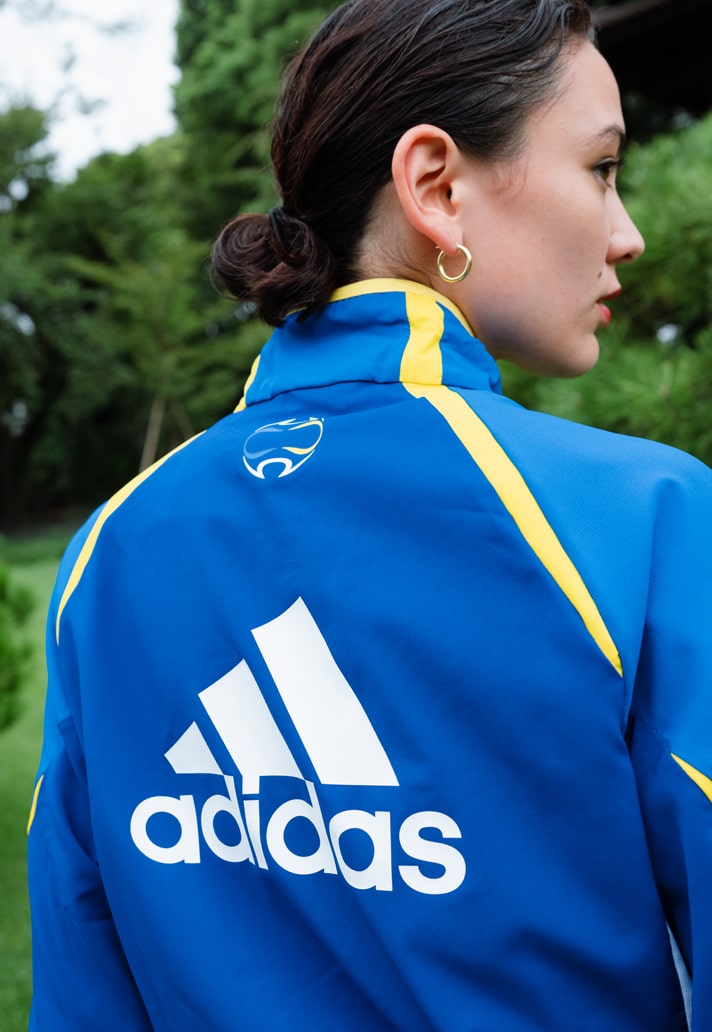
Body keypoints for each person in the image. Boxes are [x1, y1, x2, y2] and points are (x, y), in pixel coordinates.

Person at [27, 0, 711, 1028]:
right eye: (601, 168)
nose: (628, 233)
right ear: (436, 186)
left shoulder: (111, 548)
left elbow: (83, 986)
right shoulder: (641, 519)